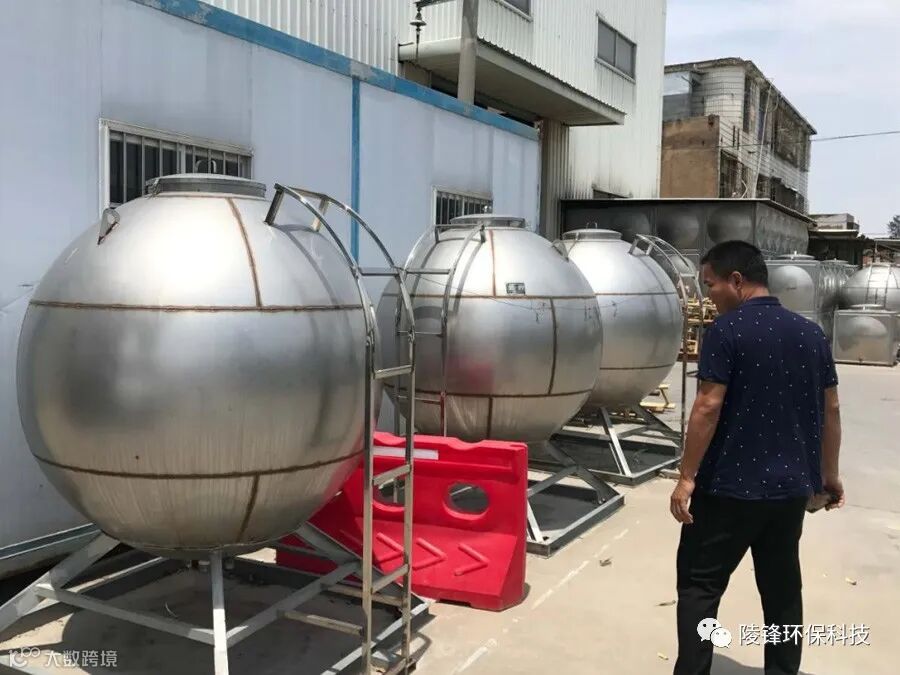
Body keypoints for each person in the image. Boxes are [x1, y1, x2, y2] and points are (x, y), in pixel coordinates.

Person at [670, 241, 844, 675]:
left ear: (736, 281)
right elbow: (832, 408)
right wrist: (829, 476)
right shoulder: (811, 334)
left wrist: (686, 477)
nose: (708, 295)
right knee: (782, 591)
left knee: (700, 587)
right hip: (789, 493)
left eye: (710, 284)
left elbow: (707, 406)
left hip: (728, 490)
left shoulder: (726, 331)